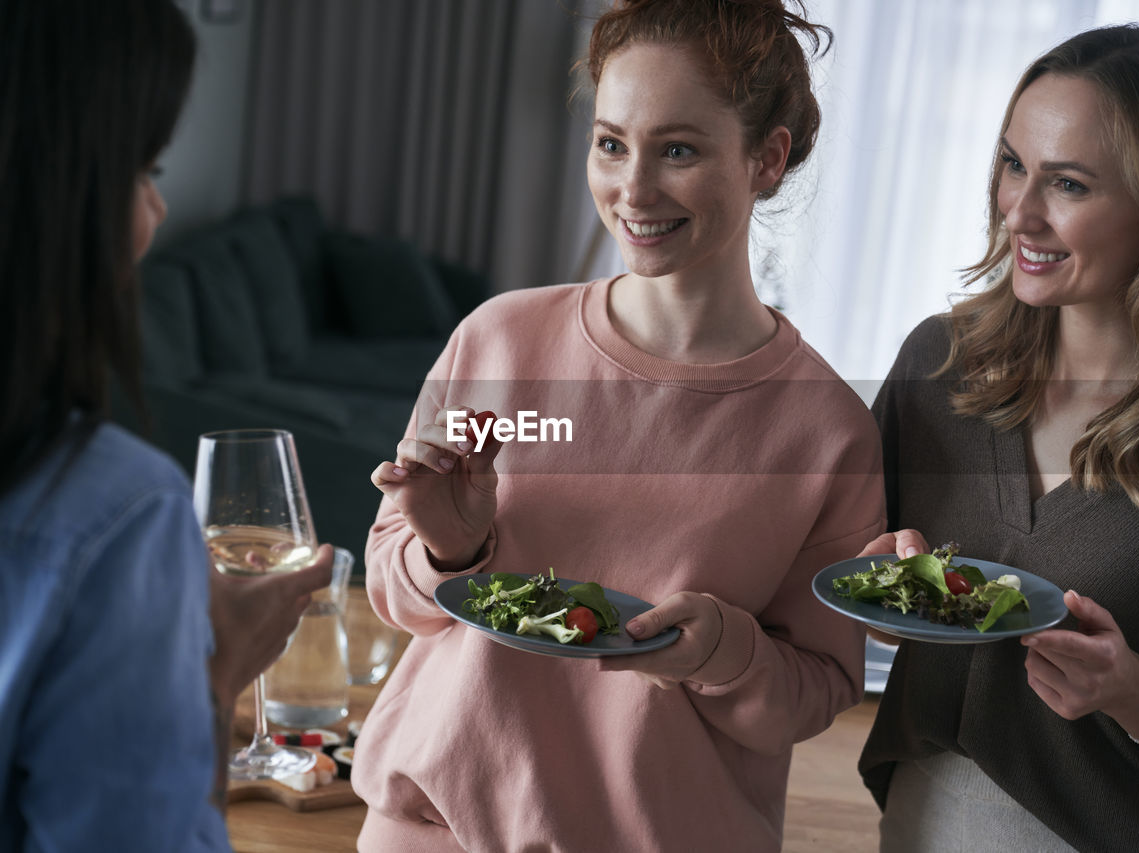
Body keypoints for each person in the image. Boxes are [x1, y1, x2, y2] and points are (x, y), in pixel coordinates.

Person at [355, 0, 884, 850]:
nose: (632, 190)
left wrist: (724, 656)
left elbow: (819, 689)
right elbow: (394, 583)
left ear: (767, 159)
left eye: (677, 149)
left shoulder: (827, 430)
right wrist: (449, 551)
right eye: (611, 143)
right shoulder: (500, 337)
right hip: (434, 825)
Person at [856, 24, 1139, 852]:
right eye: (1011, 164)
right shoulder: (939, 365)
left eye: (1067, 183)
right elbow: (852, 588)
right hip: (915, 823)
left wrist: (1133, 692)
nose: (1019, 212)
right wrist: (886, 597)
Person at [0, 2, 333, 850]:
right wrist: (212, 677)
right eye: (143, 167)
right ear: (46, 190)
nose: (157, 210)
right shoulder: (109, 512)